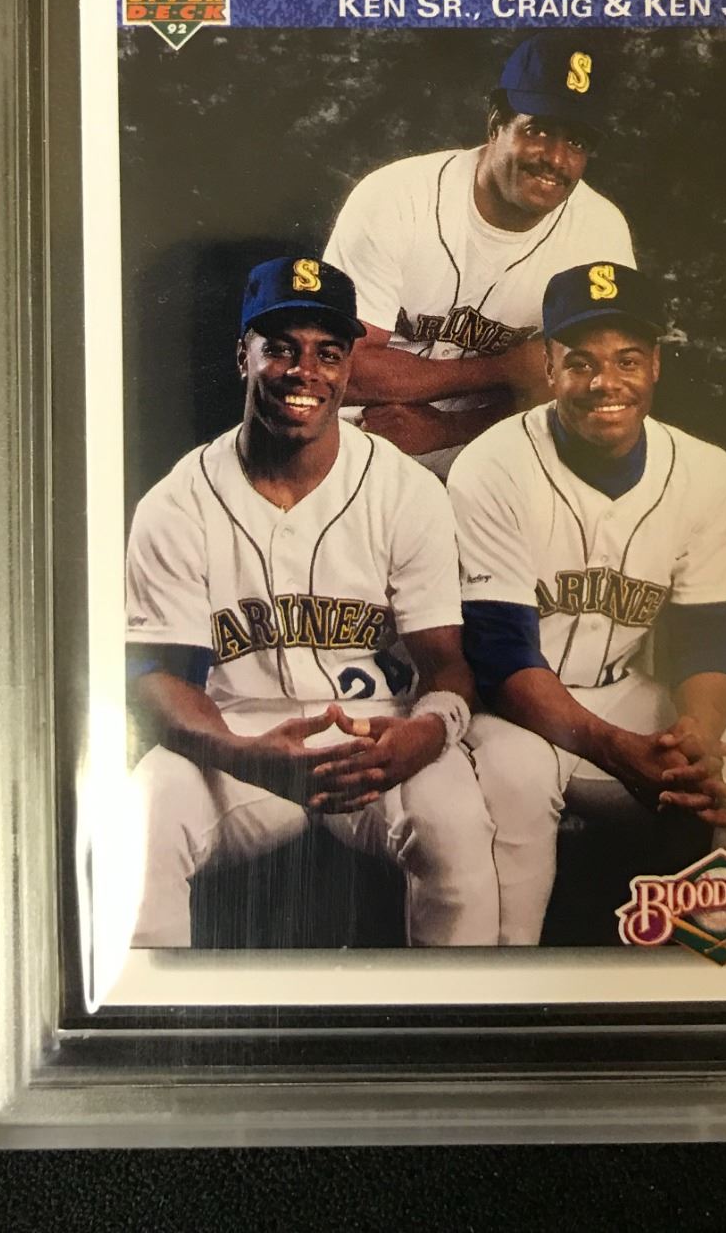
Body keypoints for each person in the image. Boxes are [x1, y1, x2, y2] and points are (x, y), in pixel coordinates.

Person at [125, 255, 498, 948]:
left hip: (375, 732)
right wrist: (242, 754)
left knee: (456, 824)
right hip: (237, 734)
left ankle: (460, 1018)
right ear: (243, 356)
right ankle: (152, 1017)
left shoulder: (406, 492)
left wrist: (431, 731)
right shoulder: (176, 503)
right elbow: (160, 679)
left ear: (349, 368)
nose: (305, 371)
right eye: (281, 349)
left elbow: (446, 665)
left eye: (328, 353)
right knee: (145, 817)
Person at [447, 261, 726, 945]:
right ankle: (505, 982)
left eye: (627, 360)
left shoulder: (705, 471)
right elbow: (499, 655)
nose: (606, 382)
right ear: (549, 368)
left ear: (656, 365)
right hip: (511, 710)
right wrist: (617, 751)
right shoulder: (492, 467)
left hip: (621, 695)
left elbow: (713, 632)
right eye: (581, 362)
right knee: (516, 777)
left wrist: (696, 738)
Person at [322, 30, 635, 477]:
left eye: (577, 142)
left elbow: (590, 389)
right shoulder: (394, 197)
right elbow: (338, 369)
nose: (556, 158)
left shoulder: (599, 232)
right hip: (363, 432)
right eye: (539, 130)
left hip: (498, 444)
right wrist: (510, 368)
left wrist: (447, 429)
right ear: (495, 125)